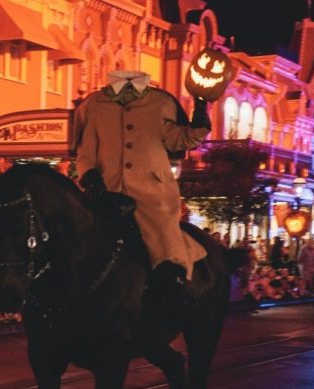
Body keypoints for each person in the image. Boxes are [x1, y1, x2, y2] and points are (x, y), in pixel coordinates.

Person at [71, 70, 213, 299]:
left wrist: (199, 119)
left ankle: (173, 280)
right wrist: (89, 175)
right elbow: (86, 151)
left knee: (163, 232)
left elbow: (179, 139)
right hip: (108, 189)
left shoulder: (160, 102)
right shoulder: (95, 105)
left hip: (152, 190)